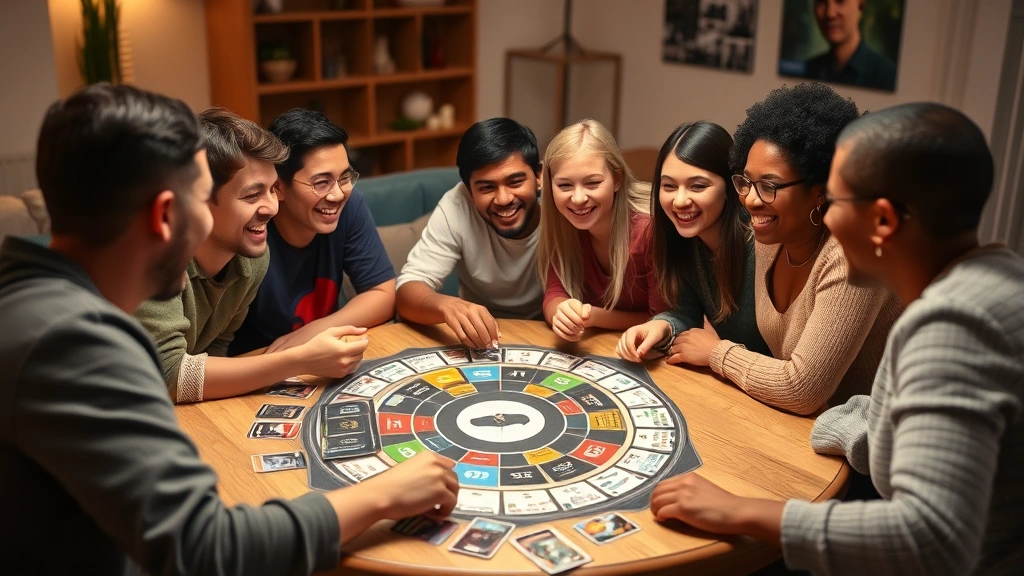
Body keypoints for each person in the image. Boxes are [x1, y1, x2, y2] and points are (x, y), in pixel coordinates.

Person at [0, 84, 458, 574]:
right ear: (165, 216)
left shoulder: (29, 299)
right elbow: (207, 547)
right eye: (202, 198)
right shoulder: (76, 343)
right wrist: (382, 494)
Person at [650, 102, 1024, 575]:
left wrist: (738, 510)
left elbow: (930, 540)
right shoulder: (998, 272)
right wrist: (858, 421)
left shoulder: (952, 327)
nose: (825, 219)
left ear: (883, 221)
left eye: (836, 201)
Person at [136, 107, 367, 403]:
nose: (272, 207)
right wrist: (300, 360)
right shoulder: (153, 256)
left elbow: (216, 352)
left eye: (273, 190)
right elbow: (170, 374)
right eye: (252, 195)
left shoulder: (253, 259)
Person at [705, 83, 902, 415]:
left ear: (821, 191)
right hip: (807, 430)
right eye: (746, 181)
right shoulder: (773, 233)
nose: (752, 199)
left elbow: (802, 390)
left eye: (770, 186)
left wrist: (716, 352)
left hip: (874, 445)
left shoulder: (855, 254)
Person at [229, 109, 395, 355]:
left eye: (345, 177)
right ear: (278, 187)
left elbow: (383, 293)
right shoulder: (251, 229)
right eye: (321, 182)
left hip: (320, 358)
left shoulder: (349, 205)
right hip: (253, 370)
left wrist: (314, 332)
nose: (337, 194)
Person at [617, 121, 770, 364]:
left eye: (697, 186)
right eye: (668, 186)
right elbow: (686, 311)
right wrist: (662, 326)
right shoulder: (686, 240)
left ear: (732, 186)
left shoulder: (765, 245)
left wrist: (716, 352)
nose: (679, 201)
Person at [396, 118, 544, 349]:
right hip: (480, 338)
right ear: (469, 190)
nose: (503, 199)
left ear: (539, 176)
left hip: (552, 329)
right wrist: (446, 306)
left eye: (515, 182)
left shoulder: (565, 202)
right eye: (487, 187)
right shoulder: (456, 205)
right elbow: (407, 293)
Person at [538, 119, 666, 342]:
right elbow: (554, 294)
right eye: (564, 185)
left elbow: (662, 319)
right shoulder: (564, 224)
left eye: (592, 183)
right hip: (604, 346)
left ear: (617, 179)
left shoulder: (649, 230)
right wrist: (561, 311)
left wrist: (591, 316)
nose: (578, 198)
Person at [804, 0, 896, 91]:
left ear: (861, 6)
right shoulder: (808, 71)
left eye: (840, 1)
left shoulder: (887, 78)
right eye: (821, 2)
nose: (830, 13)